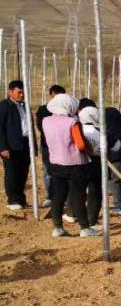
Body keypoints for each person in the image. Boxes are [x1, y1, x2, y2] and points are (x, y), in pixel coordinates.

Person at [42, 93, 99, 238]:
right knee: (77, 196)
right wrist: (89, 148)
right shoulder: (72, 122)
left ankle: (58, 228)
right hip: (75, 165)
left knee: (58, 196)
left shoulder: (46, 121)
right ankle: (85, 228)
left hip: (55, 163)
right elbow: (80, 144)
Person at [0, 79, 32, 210]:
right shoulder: (4, 106)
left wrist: (33, 147)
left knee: (23, 172)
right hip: (11, 145)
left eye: (23, 92)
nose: (22, 95)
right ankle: (13, 200)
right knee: (12, 172)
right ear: (10, 92)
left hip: (25, 143)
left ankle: (20, 199)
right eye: (19, 92)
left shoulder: (25, 106)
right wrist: (2, 147)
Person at [35, 85, 66, 206]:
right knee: (48, 170)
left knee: (64, 170)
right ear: (51, 94)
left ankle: (64, 196)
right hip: (47, 145)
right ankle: (50, 195)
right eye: (56, 95)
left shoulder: (67, 109)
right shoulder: (43, 109)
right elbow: (41, 127)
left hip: (63, 144)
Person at [77, 105, 107, 227]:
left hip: (79, 163)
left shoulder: (77, 129)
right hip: (96, 164)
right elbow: (115, 146)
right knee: (95, 192)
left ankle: (78, 218)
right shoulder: (100, 131)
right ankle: (91, 220)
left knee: (78, 192)